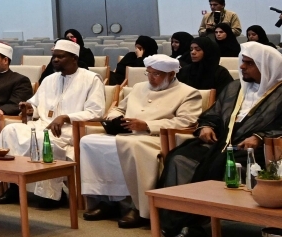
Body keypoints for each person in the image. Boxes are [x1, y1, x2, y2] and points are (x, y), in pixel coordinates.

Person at [156, 41, 282, 237]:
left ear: (265, 66)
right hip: (221, 141)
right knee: (178, 158)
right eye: (242, 61)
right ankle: (176, 219)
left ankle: (193, 226)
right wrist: (206, 126)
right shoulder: (235, 87)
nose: (242, 67)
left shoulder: (280, 92)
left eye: (249, 63)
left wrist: (260, 137)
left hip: (258, 150)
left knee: (220, 162)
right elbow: (214, 113)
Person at [78, 55, 201, 227]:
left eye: (156, 74)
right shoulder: (138, 87)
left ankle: (137, 206)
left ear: (171, 74)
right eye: (148, 73)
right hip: (128, 133)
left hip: (156, 138)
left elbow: (185, 122)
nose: (150, 78)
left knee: (132, 145)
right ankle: (107, 199)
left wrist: (147, 125)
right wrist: (115, 119)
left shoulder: (189, 93)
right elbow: (119, 109)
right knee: (89, 142)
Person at [0, 39, 106, 206]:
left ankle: (51, 194)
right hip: (43, 124)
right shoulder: (49, 79)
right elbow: (36, 103)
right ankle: (14, 186)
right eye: (54, 56)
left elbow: (96, 112)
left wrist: (66, 117)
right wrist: (29, 107)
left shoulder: (91, 79)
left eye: (61, 57)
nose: (55, 60)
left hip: (69, 128)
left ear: (74, 58)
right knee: (10, 131)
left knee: (43, 139)